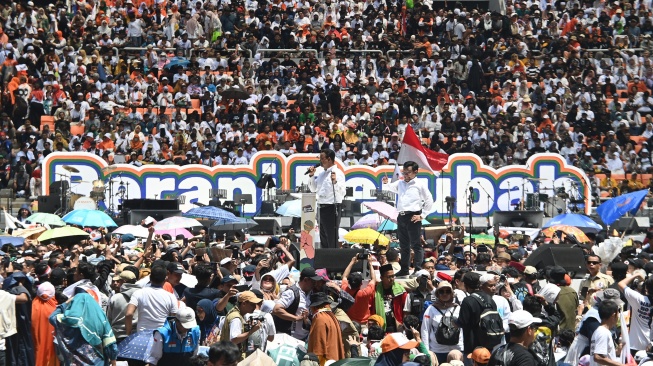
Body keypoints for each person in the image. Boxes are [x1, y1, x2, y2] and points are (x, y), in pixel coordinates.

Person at [382, 161, 434, 276]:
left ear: (415, 172)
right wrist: (385, 183)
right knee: (403, 245)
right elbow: (390, 188)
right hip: (401, 216)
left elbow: (429, 199)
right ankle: (404, 269)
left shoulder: (419, 184)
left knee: (416, 244)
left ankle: (418, 268)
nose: (405, 175)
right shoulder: (400, 183)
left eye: (408, 172)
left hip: (413, 216)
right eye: (404, 172)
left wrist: (422, 215)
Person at [307, 148, 346, 248]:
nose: (320, 161)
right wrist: (311, 176)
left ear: (329, 159)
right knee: (323, 236)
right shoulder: (321, 174)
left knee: (331, 237)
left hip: (332, 207)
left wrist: (335, 182)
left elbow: (342, 193)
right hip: (321, 207)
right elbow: (313, 189)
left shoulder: (338, 173)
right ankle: (325, 257)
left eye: (322, 158)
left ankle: (333, 260)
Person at [125, 265, 178, 335]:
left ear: (150, 278)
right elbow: (173, 318)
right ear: (165, 279)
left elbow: (129, 314)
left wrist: (128, 333)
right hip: (162, 336)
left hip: (142, 335)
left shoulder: (138, 293)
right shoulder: (171, 297)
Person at [421, 281, 463, 364]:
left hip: (457, 349)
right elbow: (425, 330)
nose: (445, 294)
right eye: (441, 291)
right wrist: (426, 350)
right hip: (437, 350)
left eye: (447, 291)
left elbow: (464, 329)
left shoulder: (459, 308)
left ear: (451, 293)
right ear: (437, 294)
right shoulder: (431, 309)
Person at [219, 291, 263, 359]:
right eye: (252, 304)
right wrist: (251, 331)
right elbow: (234, 339)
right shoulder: (236, 318)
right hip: (230, 357)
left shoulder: (237, 313)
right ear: (244, 304)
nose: (255, 307)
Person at [307, 292, 345, 365]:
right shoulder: (332, 316)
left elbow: (318, 347)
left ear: (314, 307)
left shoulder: (319, 318)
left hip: (325, 362)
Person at [341, 253, 377, 326]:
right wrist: (370, 264)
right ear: (361, 284)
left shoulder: (345, 290)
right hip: (363, 323)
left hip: (350, 323)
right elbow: (373, 279)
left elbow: (344, 276)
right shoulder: (365, 293)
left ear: (349, 283)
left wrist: (352, 262)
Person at [372, 264, 408, 333]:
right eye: (389, 277)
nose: (391, 279)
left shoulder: (400, 290)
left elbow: (406, 308)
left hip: (396, 325)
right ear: (381, 278)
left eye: (393, 276)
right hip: (379, 326)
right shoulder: (375, 290)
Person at [590, 301, 623, 366]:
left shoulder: (599, 331)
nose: (618, 317)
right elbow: (598, 357)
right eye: (618, 313)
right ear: (613, 315)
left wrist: (617, 351)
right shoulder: (603, 332)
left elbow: (603, 355)